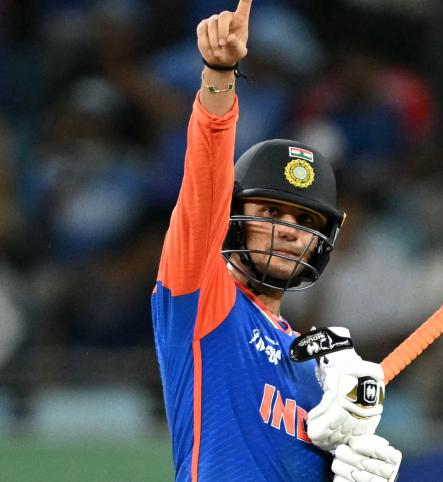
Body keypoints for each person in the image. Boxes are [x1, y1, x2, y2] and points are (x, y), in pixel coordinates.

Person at [150, 1, 401, 480]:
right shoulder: (202, 297)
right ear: (233, 217)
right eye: (270, 212)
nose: (288, 229)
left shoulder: (319, 372)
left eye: (305, 220)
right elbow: (203, 183)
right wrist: (219, 76)